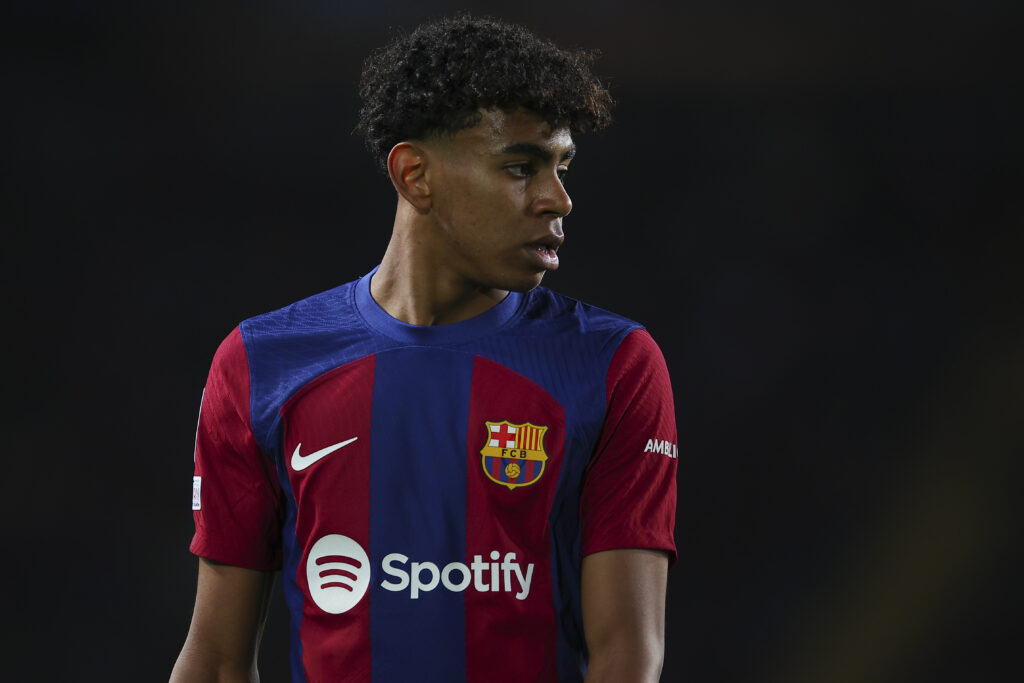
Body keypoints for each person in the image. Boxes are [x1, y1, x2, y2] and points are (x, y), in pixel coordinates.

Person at [171, 14, 677, 683]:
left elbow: (628, 657)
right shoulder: (261, 362)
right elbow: (213, 660)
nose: (560, 198)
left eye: (562, 166)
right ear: (415, 175)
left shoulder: (612, 365)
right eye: (522, 166)